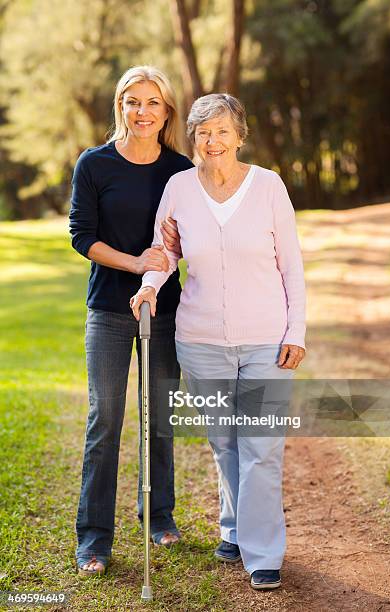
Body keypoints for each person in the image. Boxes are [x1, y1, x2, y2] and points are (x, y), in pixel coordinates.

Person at [130, 93, 306, 590]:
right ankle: (233, 527)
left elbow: (291, 265)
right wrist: (148, 285)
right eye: (204, 132)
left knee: (262, 447)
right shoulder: (179, 188)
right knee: (224, 441)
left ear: (240, 136)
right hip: (201, 339)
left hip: (266, 340)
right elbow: (164, 252)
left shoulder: (269, 186)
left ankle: (262, 553)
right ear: (193, 137)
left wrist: (297, 331)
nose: (213, 141)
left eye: (223, 131)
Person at [69, 65, 193, 577]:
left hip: (165, 312)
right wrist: (136, 262)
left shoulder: (181, 169)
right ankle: (94, 540)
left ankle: (159, 516)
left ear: (166, 112)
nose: (143, 112)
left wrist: (167, 259)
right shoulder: (93, 165)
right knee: (105, 422)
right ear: (120, 105)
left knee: (159, 418)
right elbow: (82, 236)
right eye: (133, 101)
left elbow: (192, 236)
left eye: (153, 103)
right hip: (109, 310)